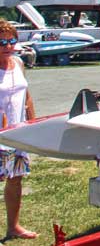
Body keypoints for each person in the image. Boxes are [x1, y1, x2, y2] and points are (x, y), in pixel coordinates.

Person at [0, 20, 37, 240]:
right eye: (2, 42)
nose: (7, 45)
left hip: (18, 133)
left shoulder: (18, 63)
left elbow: (27, 96)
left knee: (16, 178)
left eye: (11, 40)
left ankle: (13, 227)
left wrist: (34, 123)